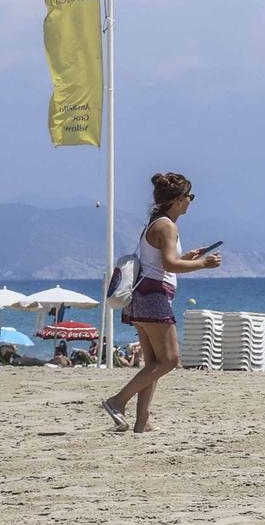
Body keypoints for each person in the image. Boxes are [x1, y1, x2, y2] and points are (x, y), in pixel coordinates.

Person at [100, 171, 222, 434]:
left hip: (142, 295)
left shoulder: (155, 223)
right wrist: (203, 264)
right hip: (154, 297)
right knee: (169, 361)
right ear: (178, 200)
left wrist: (187, 256)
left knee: (154, 363)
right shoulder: (167, 226)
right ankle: (117, 401)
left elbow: (161, 261)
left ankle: (142, 420)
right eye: (190, 196)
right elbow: (168, 264)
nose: (191, 201)